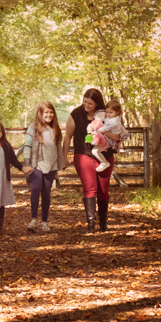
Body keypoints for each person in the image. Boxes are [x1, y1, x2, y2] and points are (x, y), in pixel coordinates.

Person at [62, 88, 123, 233]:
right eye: (85, 102)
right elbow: (67, 136)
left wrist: (105, 132)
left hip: (105, 155)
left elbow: (118, 135)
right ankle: (91, 223)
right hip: (83, 155)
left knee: (103, 190)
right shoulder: (76, 114)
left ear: (97, 103)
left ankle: (103, 223)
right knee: (90, 188)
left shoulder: (107, 114)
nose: (86, 105)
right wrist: (64, 157)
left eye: (90, 103)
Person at [21, 101, 64, 233]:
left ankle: (44, 221)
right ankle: (34, 219)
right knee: (36, 189)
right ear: (40, 113)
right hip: (36, 165)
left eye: (51, 112)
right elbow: (27, 146)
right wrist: (27, 164)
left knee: (46, 193)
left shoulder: (55, 129)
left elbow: (58, 148)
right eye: (46, 112)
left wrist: (62, 162)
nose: (49, 114)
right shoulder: (33, 128)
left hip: (51, 166)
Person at [92, 100, 130, 172]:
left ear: (117, 112)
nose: (108, 114)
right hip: (108, 138)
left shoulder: (113, 121)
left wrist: (97, 131)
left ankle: (104, 163)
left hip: (109, 140)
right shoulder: (112, 119)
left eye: (111, 112)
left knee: (95, 151)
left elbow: (105, 128)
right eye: (107, 112)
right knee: (95, 150)